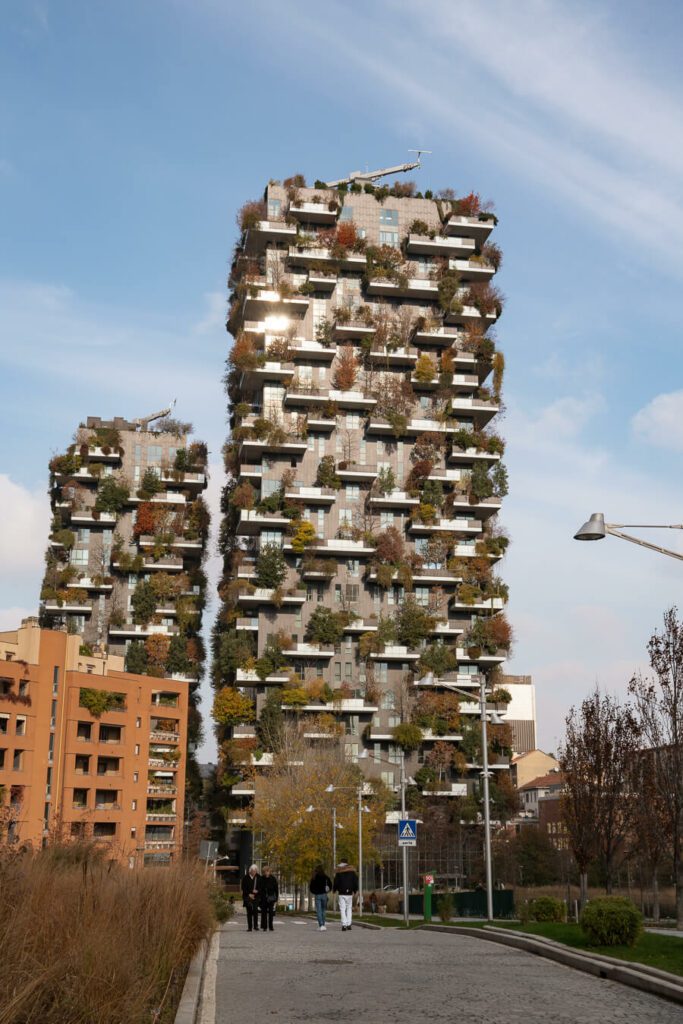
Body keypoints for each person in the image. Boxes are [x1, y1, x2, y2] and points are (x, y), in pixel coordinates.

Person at [332, 859, 358, 931]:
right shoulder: (352, 873)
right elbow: (355, 882)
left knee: (342, 909)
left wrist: (334, 890)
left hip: (341, 893)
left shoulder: (339, 873)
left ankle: (344, 925)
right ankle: (349, 924)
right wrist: (355, 890)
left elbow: (336, 882)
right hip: (349, 893)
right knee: (349, 908)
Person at [309, 864, 333, 931]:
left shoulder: (314, 877)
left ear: (316, 870)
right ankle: (323, 924)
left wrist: (315, 892)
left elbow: (311, 887)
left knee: (319, 911)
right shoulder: (326, 877)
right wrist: (328, 890)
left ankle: (321, 925)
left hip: (317, 895)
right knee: (323, 910)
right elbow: (330, 885)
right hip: (324, 895)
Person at [241, 864, 261, 932]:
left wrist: (257, 891)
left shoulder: (258, 877)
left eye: (255, 871)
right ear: (250, 871)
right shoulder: (245, 878)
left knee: (255, 910)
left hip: (256, 897)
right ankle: (249, 927)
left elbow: (261, 887)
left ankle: (255, 926)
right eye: (253, 871)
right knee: (249, 911)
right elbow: (243, 887)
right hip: (247, 897)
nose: (254, 872)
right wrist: (249, 894)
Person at [259, 864, 279, 932]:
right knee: (264, 913)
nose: (266, 873)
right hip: (264, 899)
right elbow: (259, 889)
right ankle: (264, 926)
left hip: (271, 898)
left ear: (270, 872)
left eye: (268, 871)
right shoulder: (261, 879)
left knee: (271, 913)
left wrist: (276, 898)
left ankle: (271, 926)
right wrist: (260, 898)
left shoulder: (273, 879)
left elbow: (276, 889)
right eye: (265, 871)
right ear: (263, 872)